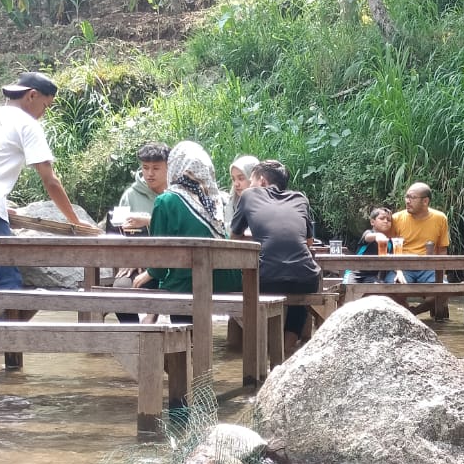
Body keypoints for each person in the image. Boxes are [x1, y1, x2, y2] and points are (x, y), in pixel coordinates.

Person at [0, 71, 87, 317]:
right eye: (46, 105)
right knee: (8, 280)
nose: (44, 113)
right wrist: (75, 221)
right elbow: (50, 180)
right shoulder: (26, 123)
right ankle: (5, 346)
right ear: (32, 95)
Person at [230, 159, 322, 351]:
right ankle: (286, 349)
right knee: (300, 290)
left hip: (266, 279)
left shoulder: (249, 195)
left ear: (262, 181)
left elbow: (235, 237)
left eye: (252, 180)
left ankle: (267, 351)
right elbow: (309, 242)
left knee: (252, 280)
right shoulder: (300, 198)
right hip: (306, 278)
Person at [137, 141, 240, 298]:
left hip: (190, 282)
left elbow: (159, 257)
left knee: (139, 285)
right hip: (227, 279)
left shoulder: (166, 200)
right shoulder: (213, 199)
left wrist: (149, 273)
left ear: (174, 167)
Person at [110, 142, 170, 323]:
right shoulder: (130, 195)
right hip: (138, 263)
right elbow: (117, 232)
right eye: (145, 168)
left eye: (156, 168)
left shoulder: (176, 194)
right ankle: (135, 335)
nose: (150, 173)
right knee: (120, 291)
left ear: (169, 167)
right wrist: (128, 258)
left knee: (184, 294)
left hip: (174, 267)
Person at [391, 182, 450, 283]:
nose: (407, 201)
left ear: (425, 201)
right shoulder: (396, 218)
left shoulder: (440, 218)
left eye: (412, 197)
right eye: (407, 197)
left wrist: (442, 274)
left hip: (429, 268)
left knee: (441, 289)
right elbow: (389, 249)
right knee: (395, 287)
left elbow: (442, 249)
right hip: (402, 266)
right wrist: (398, 270)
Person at [348, 206, 397, 283]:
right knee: (346, 289)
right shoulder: (369, 233)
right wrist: (377, 235)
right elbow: (367, 237)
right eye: (382, 218)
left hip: (371, 276)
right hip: (355, 272)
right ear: (372, 222)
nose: (386, 221)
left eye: (389, 220)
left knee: (380, 289)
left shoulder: (390, 243)